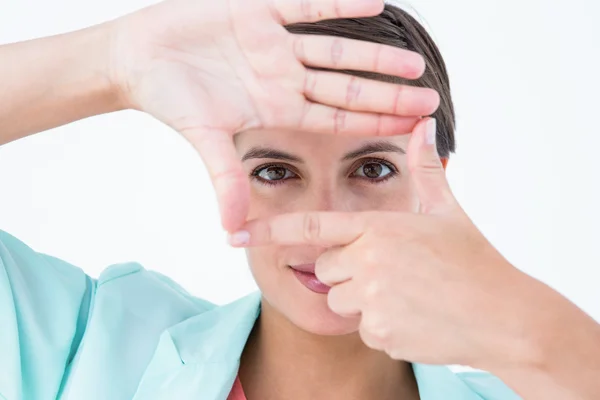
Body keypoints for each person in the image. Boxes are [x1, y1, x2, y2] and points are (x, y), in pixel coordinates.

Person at [0, 0, 599, 399]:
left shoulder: (545, 379)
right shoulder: (92, 346)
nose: (326, 226)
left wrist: (528, 331)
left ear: (432, 179)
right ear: (226, 175)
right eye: (277, 172)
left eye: (371, 168)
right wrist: (112, 63)